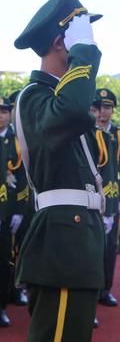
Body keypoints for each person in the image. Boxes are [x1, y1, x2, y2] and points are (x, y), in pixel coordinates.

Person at [13, 0, 105, 341]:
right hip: (63, 243)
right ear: (59, 42)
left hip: (75, 239)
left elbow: (74, 107)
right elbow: (70, 110)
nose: (92, 42)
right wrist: (85, 53)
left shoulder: (56, 97)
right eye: (82, 34)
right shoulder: (35, 96)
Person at [91, 88, 120, 308]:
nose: (102, 113)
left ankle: (105, 289)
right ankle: (91, 290)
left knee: (109, 247)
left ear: (113, 110)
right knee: (92, 247)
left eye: (107, 108)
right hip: (92, 196)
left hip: (113, 197)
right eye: (97, 108)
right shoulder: (85, 132)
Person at [0, 95, 28, 327]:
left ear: (10, 114)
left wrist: (19, 210)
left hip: (7, 211)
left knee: (4, 259)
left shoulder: (17, 141)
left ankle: (1, 306)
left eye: (3, 111)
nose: (0, 115)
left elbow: (21, 179)